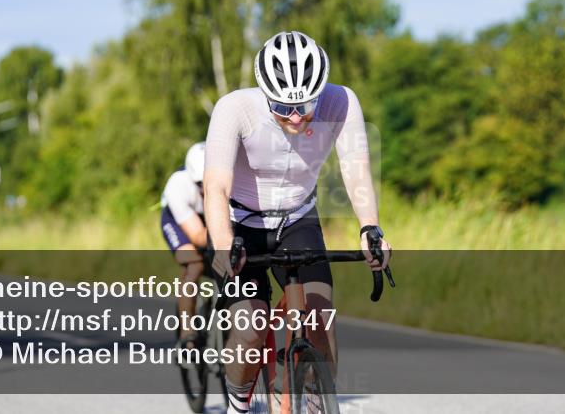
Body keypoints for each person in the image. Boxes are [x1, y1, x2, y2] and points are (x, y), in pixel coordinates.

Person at [203, 30, 392, 414]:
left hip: (298, 219)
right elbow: (215, 186)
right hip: (241, 224)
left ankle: (316, 400)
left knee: (321, 319)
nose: (294, 116)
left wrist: (369, 227)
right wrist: (224, 244)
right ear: (263, 92)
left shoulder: (340, 102)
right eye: (282, 107)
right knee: (250, 330)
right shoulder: (235, 108)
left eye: (304, 105)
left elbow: (355, 169)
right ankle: (238, 405)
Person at [159, 141, 208, 347]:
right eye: (200, 184)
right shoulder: (178, 186)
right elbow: (197, 236)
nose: (206, 189)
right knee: (194, 263)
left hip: (208, 216)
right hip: (179, 220)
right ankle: (187, 328)